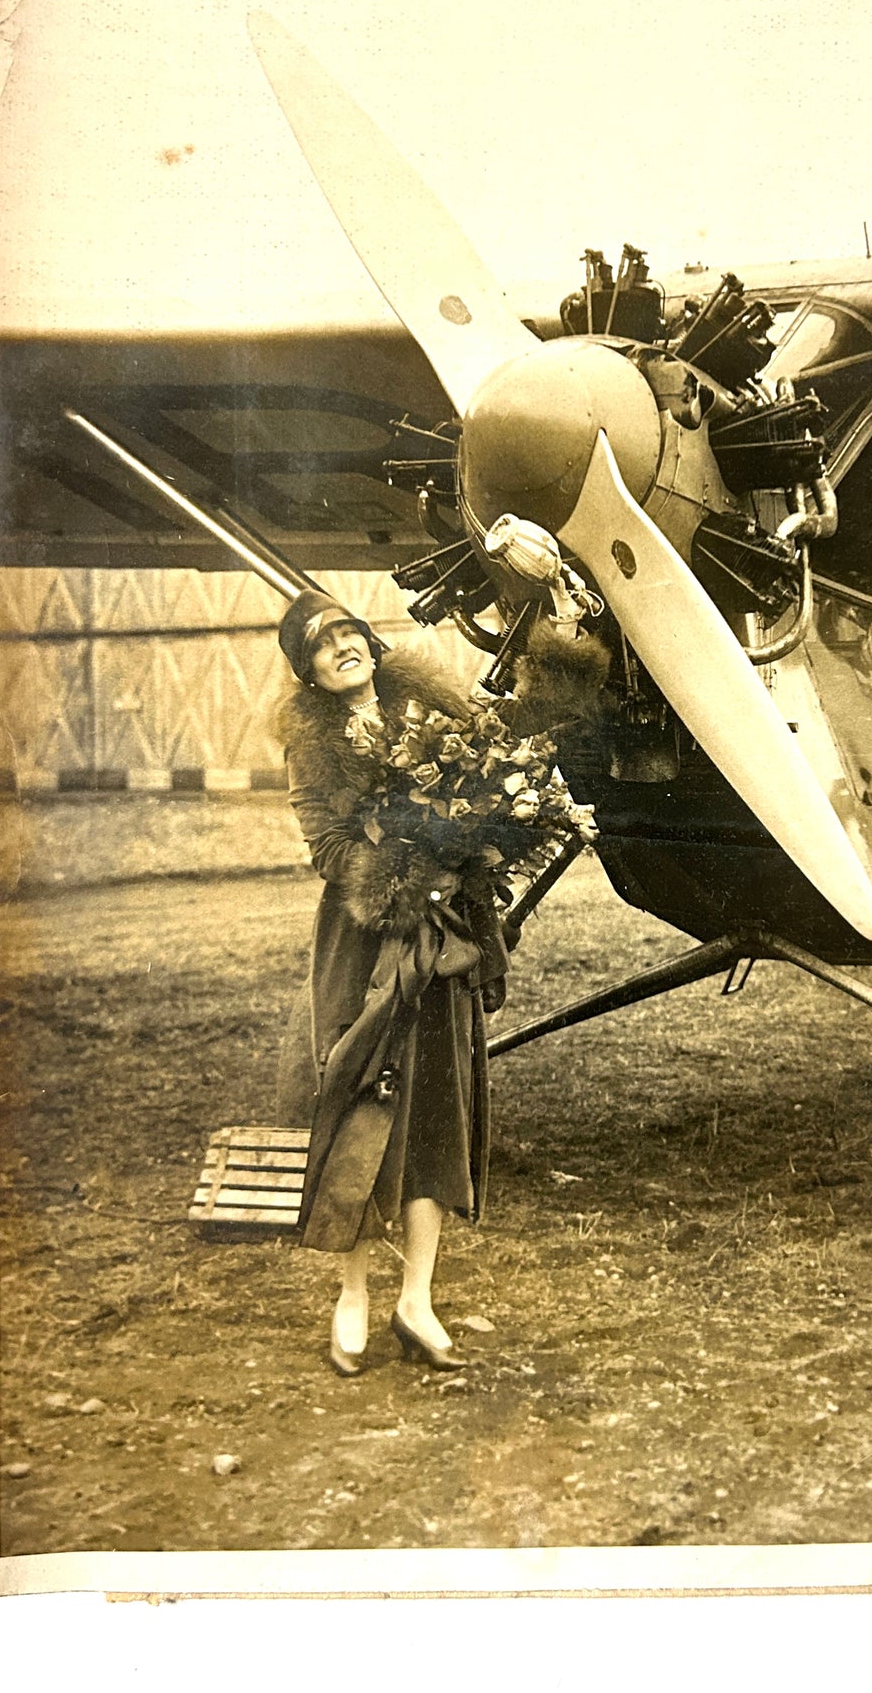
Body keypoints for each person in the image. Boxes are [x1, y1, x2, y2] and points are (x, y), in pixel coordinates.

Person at [275, 590, 509, 1377]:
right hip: (365, 939)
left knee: (436, 1107)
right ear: (307, 669)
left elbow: (492, 782)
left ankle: (417, 1297)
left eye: (349, 631)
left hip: (443, 939)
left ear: (372, 643)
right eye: (320, 642)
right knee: (359, 1105)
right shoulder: (315, 744)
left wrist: (469, 846)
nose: (341, 645)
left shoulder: (433, 715)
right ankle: (353, 1295)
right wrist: (409, 873)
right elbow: (329, 848)